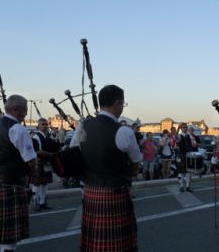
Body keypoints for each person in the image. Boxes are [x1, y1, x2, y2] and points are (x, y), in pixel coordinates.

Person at [71, 84, 142, 252]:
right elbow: (136, 163)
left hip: (90, 191)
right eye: (122, 104)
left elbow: (74, 154)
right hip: (115, 192)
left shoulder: (83, 126)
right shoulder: (124, 131)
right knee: (117, 245)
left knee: (94, 244)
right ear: (118, 103)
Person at [0, 95, 38, 252]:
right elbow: (31, 160)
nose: (26, 114)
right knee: (8, 232)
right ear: (16, 109)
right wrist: (32, 168)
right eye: (25, 110)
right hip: (12, 184)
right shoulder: (18, 129)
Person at [30, 118, 59, 211]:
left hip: (47, 161)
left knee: (45, 183)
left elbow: (54, 147)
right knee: (37, 183)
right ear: (38, 126)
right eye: (43, 124)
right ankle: (36, 203)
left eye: (46, 124)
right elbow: (37, 151)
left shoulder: (49, 136)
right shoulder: (36, 137)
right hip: (38, 162)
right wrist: (51, 154)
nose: (45, 126)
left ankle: (42, 202)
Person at [176, 124, 199, 192]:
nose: (185, 128)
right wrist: (177, 129)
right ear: (181, 128)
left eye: (186, 127)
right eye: (183, 127)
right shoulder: (180, 135)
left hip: (188, 155)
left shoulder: (189, 136)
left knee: (189, 171)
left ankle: (188, 186)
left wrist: (195, 144)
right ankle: (181, 186)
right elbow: (176, 137)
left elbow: (194, 144)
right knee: (181, 171)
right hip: (182, 155)